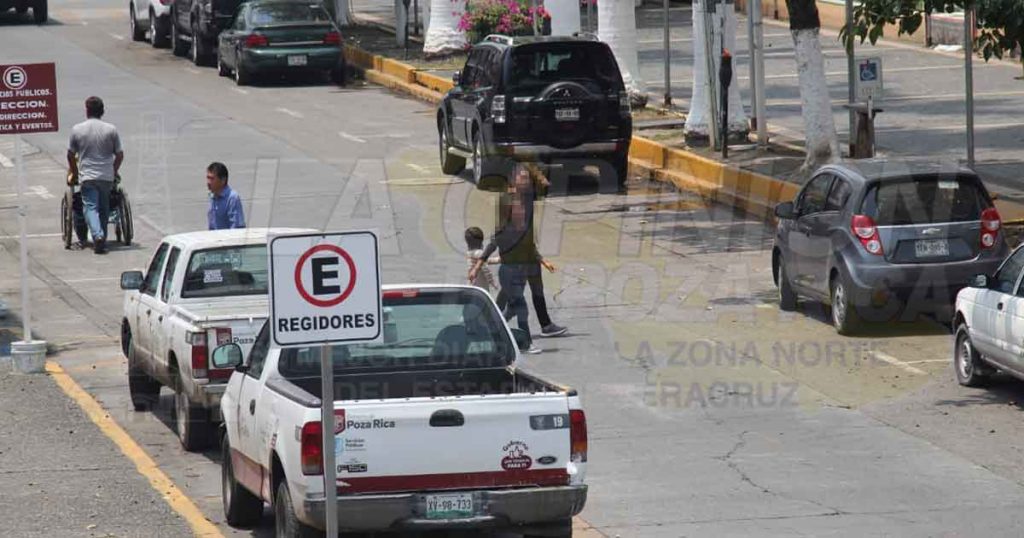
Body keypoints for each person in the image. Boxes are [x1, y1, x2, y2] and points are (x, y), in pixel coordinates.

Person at [67, 96, 123, 254]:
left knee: (90, 207)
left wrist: (75, 172)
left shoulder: (77, 129)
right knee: (104, 208)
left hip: (88, 176)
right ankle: (101, 238)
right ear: (102, 111)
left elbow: (70, 155)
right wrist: (114, 170)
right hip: (106, 176)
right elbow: (119, 155)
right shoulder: (111, 129)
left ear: (87, 111)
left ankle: (98, 235)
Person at [206, 162, 246, 230]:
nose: (208, 182)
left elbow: (236, 228)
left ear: (223, 180)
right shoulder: (212, 197)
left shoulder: (232, 198)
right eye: (208, 178)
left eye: (212, 178)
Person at [465, 226, 499, 294]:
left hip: (472, 285)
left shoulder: (469, 253)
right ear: (481, 242)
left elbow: (484, 261)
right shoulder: (479, 253)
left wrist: (498, 260)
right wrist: (492, 283)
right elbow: (486, 269)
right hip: (481, 286)